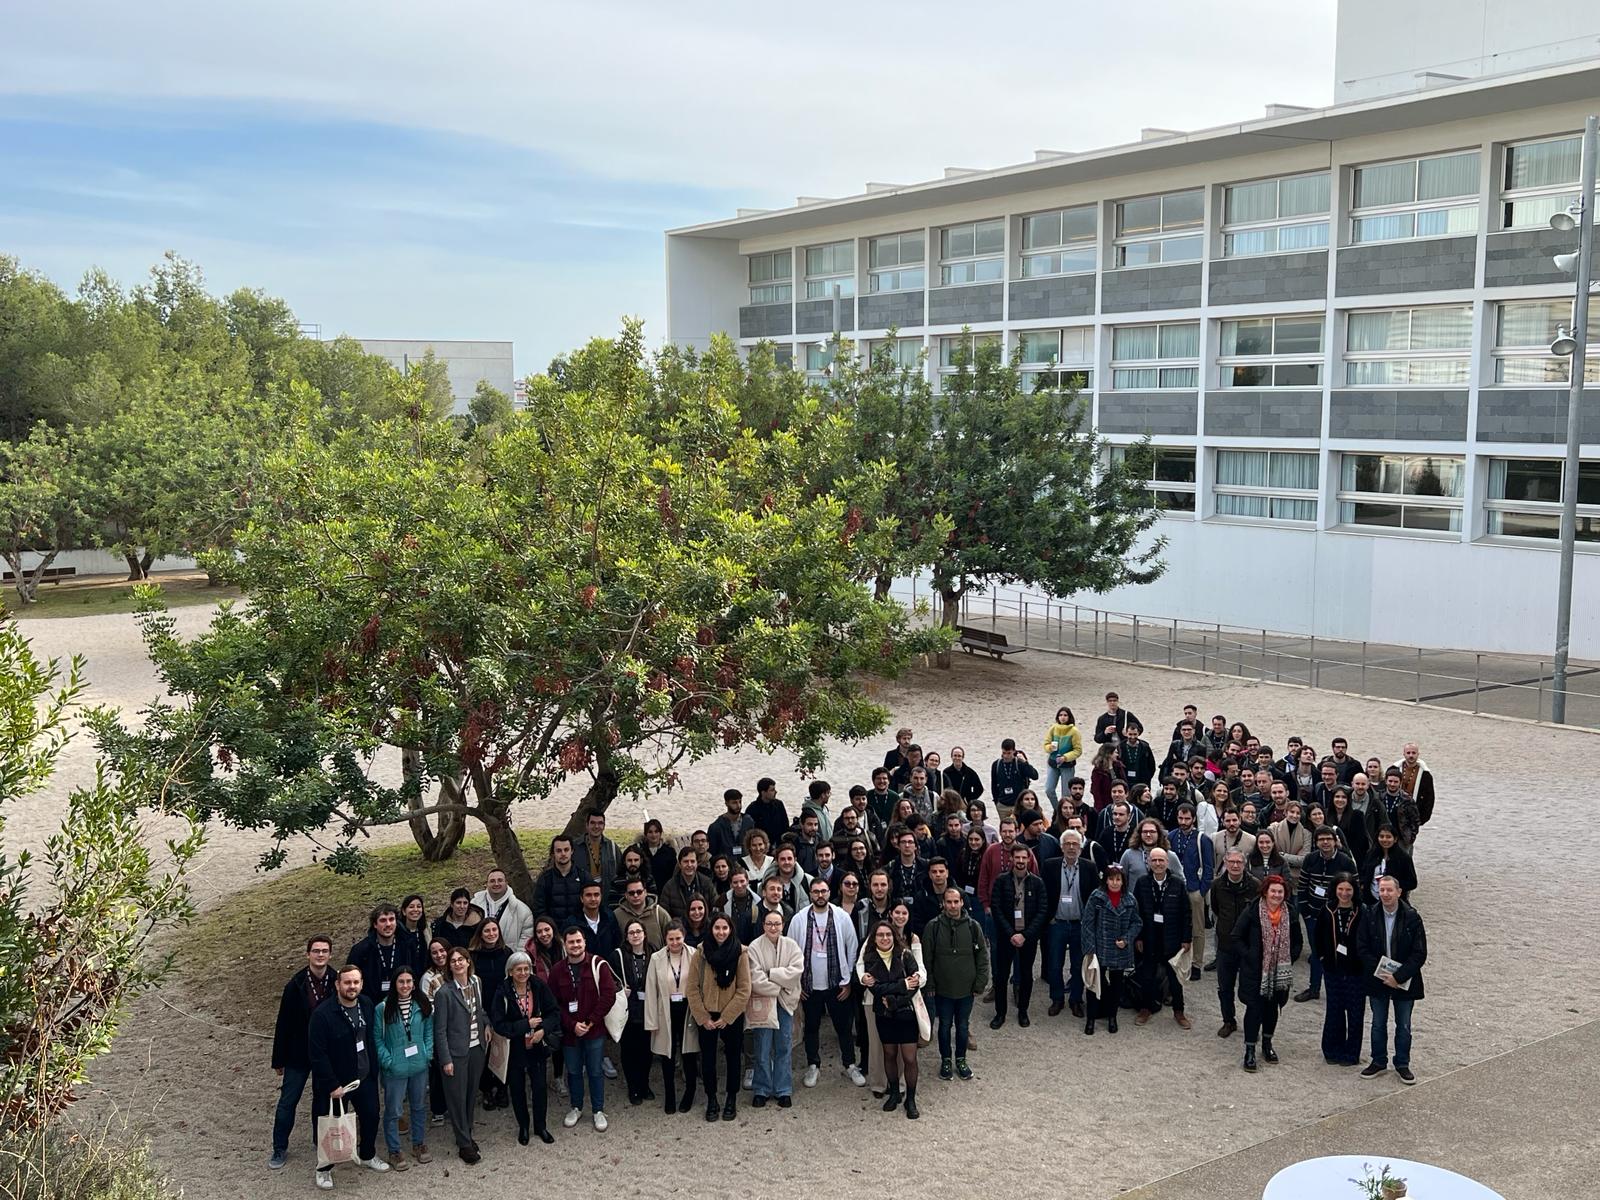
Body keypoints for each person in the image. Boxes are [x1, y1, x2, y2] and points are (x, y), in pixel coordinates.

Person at [307, 964, 387, 1189]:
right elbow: (317, 1054)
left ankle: (367, 1154)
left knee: (371, 1116)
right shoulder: (322, 1015)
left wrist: (373, 1070)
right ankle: (324, 1168)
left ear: (361, 984)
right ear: (337, 984)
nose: (352, 986)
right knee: (329, 1126)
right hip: (336, 1084)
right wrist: (332, 1085)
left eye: (356, 982)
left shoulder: (367, 1004)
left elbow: (370, 1038)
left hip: (364, 1077)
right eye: (347, 982)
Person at [788, 877, 863, 1089]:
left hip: (836, 984)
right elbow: (791, 951)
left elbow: (852, 947)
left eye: (823, 891)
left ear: (829, 893)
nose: (820, 895)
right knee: (811, 1027)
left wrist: (847, 981)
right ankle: (813, 1065)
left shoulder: (841, 917)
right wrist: (797, 984)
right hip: (809, 985)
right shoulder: (799, 919)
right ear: (810, 894)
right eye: (815, 892)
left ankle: (850, 1064)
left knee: (843, 1027)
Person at [268, 935, 336, 1170]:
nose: (320, 955)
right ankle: (279, 1147)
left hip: (325, 1052)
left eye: (324, 951)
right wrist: (278, 1059)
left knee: (322, 1099)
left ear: (330, 954)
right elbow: (283, 1024)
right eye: (316, 951)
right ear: (308, 954)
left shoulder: (336, 980)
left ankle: (319, 1140)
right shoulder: (295, 985)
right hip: (298, 1053)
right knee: (288, 1101)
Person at [547, 926, 619, 1131]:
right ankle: (576, 1107)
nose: (575, 945)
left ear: (585, 942)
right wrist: (572, 1025)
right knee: (574, 1071)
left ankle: (598, 1110)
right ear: (565, 944)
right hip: (570, 1033)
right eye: (571, 942)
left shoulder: (599, 965)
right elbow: (553, 1003)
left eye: (578, 941)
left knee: (595, 1071)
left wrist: (590, 1022)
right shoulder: (557, 970)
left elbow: (609, 996)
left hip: (594, 1031)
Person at [1357, 874, 1427, 1084]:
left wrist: (1398, 976)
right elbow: (1362, 948)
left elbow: (1419, 953)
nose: (1385, 894)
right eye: (1382, 890)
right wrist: (1381, 973)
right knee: (1378, 1023)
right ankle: (1378, 1060)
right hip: (1378, 978)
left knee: (1403, 1025)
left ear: (1399, 892)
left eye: (1389, 890)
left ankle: (1402, 1063)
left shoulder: (1412, 917)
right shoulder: (1369, 914)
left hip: (1404, 980)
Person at [685, 913, 750, 1121]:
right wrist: (703, 1017)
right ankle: (711, 1098)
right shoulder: (701, 953)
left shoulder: (740, 953)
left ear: (730, 929)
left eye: (724, 928)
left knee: (733, 1057)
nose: (721, 932)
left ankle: (731, 1097)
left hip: (731, 1014)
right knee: (708, 1059)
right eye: (717, 928)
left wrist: (728, 1016)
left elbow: (744, 989)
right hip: (707, 1015)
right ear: (711, 929)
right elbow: (692, 988)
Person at [491, 951, 559, 1145]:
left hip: (537, 1045)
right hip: (514, 1048)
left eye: (526, 968)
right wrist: (525, 1025)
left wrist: (543, 1030)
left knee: (539, 1087)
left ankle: (540, 1126)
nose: (523, 973)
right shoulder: (502, 992)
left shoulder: (538, 986)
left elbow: (554, 1012)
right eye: (518, 969)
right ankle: (523, 1126)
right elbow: (499, 1024)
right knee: (517, 1089)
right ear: (510, 971)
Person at [860, 920, 923, 1119]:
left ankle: (911, 1099)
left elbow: (914, 985)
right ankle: (894, 1093)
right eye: (880, 935)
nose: (884, 938)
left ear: (894, 936)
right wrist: (901, 985)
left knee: (909, 1058)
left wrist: (896, 1000)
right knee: (889, 1054)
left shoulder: (905, 955)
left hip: (906, 1013)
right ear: (874, 938)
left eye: (888, 934)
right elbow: (875, 989)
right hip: (884, 1014)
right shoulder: (869, 958)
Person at [375, 964, 433, 1170]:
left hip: (419, 1065)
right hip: (395, 1069)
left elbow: (428, 1031)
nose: (405, 985)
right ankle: (394, 1150)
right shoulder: (382, 1008)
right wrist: (388, 1061)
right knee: (393, 1111)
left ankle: (418, 1144)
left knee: (418, 1107)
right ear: (395, 984)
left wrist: (427, 1053)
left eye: (409, 981)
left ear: (414, 984)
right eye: (401, 981)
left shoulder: (422, 1005)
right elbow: (377, 1039)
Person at [1234, 875, 1293, 1072]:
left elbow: (1298, 939)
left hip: (1279, 972)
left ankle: (1267, 1044)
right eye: (1273, 891)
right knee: (1254, 1009)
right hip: (1255, 971)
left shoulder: (1290, 912)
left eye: (1280, 891)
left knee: (1272, 1008)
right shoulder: (1252, 911)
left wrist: (1288, 958)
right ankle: (1250, 1050)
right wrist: (1250, 955)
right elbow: (1236, 936)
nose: (1276, 895)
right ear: (1265, 892)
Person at [432, 947, 487, 1162]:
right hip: (456, 1052)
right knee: (457, 1098)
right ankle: (464, 1144)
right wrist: (445, 1059)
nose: (457, 963)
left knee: (471, 1094)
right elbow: (440, 1030)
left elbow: (480, 1010)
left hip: (476, 1047)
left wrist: (487, 1025)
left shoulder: (476, 982)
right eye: (453, 961)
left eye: (461, 959)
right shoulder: (444, 993)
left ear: (468, 961)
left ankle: (467, 1133)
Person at [745, 908, 802, 1108]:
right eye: (769, 923)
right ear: (763, 925)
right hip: (763, 1001)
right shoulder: (754, 947)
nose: (773, 927)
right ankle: (762, 1089)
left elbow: (795, 972)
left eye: (777, 923)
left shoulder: (792, 946)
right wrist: (779, 985)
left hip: (785, 1003)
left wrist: (771, 973)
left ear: (783, 925)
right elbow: (755, 978)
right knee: (762, 1047)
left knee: (784, 1046)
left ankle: (783, 1089)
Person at [1293, 826, 1358, 1003]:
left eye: (1329, 838)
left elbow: (1355, 889)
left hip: (1338, 917)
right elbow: (1303, 886)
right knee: (1316, 952)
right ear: (1316, 842)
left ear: (1335, 841)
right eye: (1321, 839)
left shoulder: (1346, 862)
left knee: (1340, 951)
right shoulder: (1310, 859)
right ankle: (1314, 988)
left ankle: (1342, 989)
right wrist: (1306, 912)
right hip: (1313, 916)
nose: (1325, 842)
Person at [989, 842, 1047, 1029]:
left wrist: (1025, 935)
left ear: (1029, 859)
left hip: (1028, 938)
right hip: (1006, 937)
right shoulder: (1001, 881)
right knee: (1001, 976)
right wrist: (1011, 934)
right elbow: (996, 908)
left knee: (1026, 975)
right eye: (1017, 857)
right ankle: (1000, 1013)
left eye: (1024, 857)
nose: (1021, 861)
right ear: (1011, 859)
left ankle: (1023, 1011)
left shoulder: (1037, 883)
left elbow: (1042, 911)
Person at [1133, 848, 1193, 1028]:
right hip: (1149, 937)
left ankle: (1179, 1011)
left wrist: (1186, 938)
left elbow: (1186, 913)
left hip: (1172, 938)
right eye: (1154, 860)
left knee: (1175, 979)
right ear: (1149, 862)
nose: (1158, 864)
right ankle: (1146, 1008)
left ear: (1167, 862)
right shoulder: (1142, 882)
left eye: (1161, 860)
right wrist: (1138, 937)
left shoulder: (1177, 884)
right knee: (1147, 976)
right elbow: (1136, 912)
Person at [644, 920, 699, 1114]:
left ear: (684, 937)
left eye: (678, 938)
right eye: (671, 939)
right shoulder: (656, 958)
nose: (675, 942)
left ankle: (690, 1092)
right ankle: (670, 1095)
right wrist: (651, 1021)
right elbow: (651, 990)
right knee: (667, 1055)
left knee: (689, 1054)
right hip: (665, 1009)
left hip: (688, 1008)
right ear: (665, 939)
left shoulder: (694, 954)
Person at [1044, 830, 1099, 1019]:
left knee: (1078, 965)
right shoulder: (1050, 866)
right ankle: (1057, 998)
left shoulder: (1089, 867)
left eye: (1075, 844)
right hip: (1057, 923)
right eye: (1067, 843)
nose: (1071, 847)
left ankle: (1076, 1000)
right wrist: (1048, 919)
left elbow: (1095, 896)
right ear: (1061, 847)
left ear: (1081, 848)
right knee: (1054, 964)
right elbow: (1044, 894)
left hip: (1080, 925)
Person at [1081, 864, 1140, 1035]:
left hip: (1119, 949)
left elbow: (1137, 923)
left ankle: (1112, 1017)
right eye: (1111, 879)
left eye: (1118, 879)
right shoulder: (1096, 897)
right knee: (1094, 983)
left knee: (1116, 985)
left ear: (1123, 881)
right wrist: (1090, 948)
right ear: (1105, 880)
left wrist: (1127, 939)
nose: (1114, 882)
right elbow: (1087, 923)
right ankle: (1091, 1018)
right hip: (1099, 947)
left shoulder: (1130, 900)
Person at [1314, 873, 1366, 1066]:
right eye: (1341, 889)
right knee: (1334, 1010)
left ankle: (1351, 1054)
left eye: (1348, 889)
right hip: (1332, 969)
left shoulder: (1362, 911)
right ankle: (1331, 1050)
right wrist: (1322, 957)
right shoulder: (1327, 909)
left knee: (1355, 1012)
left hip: (1356, 971)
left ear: (1354, 890)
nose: (1344, 893)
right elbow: (1317, 936)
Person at [1208, 850, 1261, 1033]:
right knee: (1225, 987)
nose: (1235, 865)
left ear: (1245, 864)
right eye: (1231, 862)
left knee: (1251, 988)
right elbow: (1216, 908)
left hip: (1248, 945)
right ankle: (1228, 1020)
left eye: (1239, 862)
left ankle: (1252, 1024)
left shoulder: (1255, 885)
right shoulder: (1217, 885)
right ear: (1225, 862)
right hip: (1226, 944)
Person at [607, 918, 655, 1107]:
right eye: (631, 932)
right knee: (629, 1051)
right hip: (628, 1011)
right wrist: (619, 989)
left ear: (645, 933)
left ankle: (645, 1084)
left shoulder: (654, 953)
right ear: (626, 936)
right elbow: (609, 980)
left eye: (638, 931)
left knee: (647, 1050)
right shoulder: (617, 956)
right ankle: (633, 1087)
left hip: (648, 1010)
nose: (635, 935)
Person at [467, 921, 510, 1111]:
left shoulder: (506, 953)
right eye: (487, 930)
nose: (491, 933)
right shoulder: (473, 956)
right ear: (480, 933)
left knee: (503, 1051)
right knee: (484, 1051)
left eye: (494, 930)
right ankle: (486, 1090)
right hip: (481, 1009)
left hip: (504, 1009)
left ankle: (502, 1088)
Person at [418, 938, 453, 1124]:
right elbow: (427, 1006)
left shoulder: (456, 969)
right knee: (439, 1070)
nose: (439, 955)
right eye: (434, 952)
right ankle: (438, 1109)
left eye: (442, 950)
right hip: (438, 1027)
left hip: (459, 1029)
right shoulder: (428, 978)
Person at [472, 869, 534, 953]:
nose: (496, 884)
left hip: (509, 957)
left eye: (500, 880)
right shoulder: (474, 905)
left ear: (506, 883)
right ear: (486, 884)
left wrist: (516, 958)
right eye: (492, 881)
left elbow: (526, 937)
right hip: (479, 956)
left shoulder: (522, 910)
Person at [533, 837, 588, 929]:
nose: (563, 854)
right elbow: (539, 908)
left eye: (566, 850)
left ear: (572, 851)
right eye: (559, 851)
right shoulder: (545, 879)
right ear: (553, 853)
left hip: (579, 930)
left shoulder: (583, 876)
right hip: (554, 931)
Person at [660, 846, 718, 923]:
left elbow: (716, 908)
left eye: (692, 861)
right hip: (680, 928)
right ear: (679, 864)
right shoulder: (669, 887)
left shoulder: (707, 883)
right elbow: (664, 915)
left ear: (697, 863)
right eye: (686, 861)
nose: (689, 865)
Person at [1361, 825, 1418, 902]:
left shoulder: (1404, 858)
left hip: (1394, 901)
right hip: (1370, 901)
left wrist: (1392, 886)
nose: (1384, 839)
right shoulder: (1371, 855)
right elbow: (1363, 873)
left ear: (1395, 839)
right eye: (1381, 836)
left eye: (1388, 837)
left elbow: (1412, 883)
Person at [613, 875, 670, 950]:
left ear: (645, 892)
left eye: (639, 892)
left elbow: (671, 937)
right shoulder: (616, 915)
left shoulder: (660, 913)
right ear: (626, 895)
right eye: (631, 893)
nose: (635, 895)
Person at [1042, 706, 1083, 804]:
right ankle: (1057, 809)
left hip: (1067, 765)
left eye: (1065, 715)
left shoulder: (1074, 731)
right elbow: (1045, 744)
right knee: (1049, 790)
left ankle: (1064, 810)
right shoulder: (1053, 728)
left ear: (1069, 717)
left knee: (1066, 794)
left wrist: (1065, 757)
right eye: (1060, 715)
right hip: (1053, 763)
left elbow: (1078, 750)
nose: (1063, 717)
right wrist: (1049, 747)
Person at [989, 738, 1039, 817]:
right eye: (1004, 753)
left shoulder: (1019, 763)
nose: (1006, 756)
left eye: (1009, 753)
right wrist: (996, 802)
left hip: (1019, 805)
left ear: (1014, 751)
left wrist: (1025, 762)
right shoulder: (996, 764)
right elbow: (994, 785)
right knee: (1005, 824)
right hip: (1002, 805)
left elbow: (1035, 776)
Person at [1392, 742, 1436, 831]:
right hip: (1393, 814)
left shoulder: (1425, 775)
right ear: (1404, 754)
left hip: (1413, 816)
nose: (1411, 755)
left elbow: (1429, 799)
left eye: (1413, 753)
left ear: (1418, 754)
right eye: (1408, 753)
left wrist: (1421, 819)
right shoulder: (1394, 770)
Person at [1378, 767, 1423, 852]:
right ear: (1386, 781)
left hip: (1402, 840)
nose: (1392, 784)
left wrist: (1410, 837)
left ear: (1400, 782)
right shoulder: (1379, 797)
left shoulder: (1407, 800)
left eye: (1396, 782)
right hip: (1382, 838)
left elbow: (1415, 821)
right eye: (1390, 781)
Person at [708, 788, 754, 860]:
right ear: (726, 803)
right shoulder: (716, 827)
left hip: (746, 862)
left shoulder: (748, 821)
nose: (738, 806)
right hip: (726, 863)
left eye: (740, 802)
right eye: (734, 803)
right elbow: (713, 851)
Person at [747, 776, 791, 845]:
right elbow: (750, 832)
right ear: (763, 792)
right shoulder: (752, 809)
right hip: (761, 846)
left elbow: (785, 825)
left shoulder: (779, 804)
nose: (776, 792)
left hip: (779, 844)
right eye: (772, 790)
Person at [637, 819, 677, 890]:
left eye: (656, 831)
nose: (653, 835)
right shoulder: (639, 851)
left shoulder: (669, 852)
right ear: (646, 834)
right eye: (650, 832)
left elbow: (674, 874)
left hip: (664, 890)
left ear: (660, 833)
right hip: (643, 890)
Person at [397, 895, 430, 972]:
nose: (415, 909)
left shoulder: (425, 931)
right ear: (404, 911)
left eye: (419, 906)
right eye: (411, 907)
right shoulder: (397, 933)